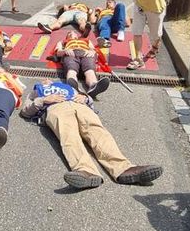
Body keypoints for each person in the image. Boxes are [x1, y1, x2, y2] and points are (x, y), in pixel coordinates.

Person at [19, 79, 163, 189]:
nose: (47, 81)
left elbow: (89, 101)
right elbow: (25, 111)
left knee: (98, 132)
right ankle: (85, 171)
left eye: (49, 80)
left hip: (79, 106)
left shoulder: (69, 88)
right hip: (56, 108)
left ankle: (123, 168)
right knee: (69, 135)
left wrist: (86, 98)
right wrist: (43, 100)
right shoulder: (37, 90)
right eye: (44, 81)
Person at [53, 31, 110, 98]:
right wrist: (65, 51)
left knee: (89, 69)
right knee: (71, 69)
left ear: (77, 35)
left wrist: (92, 52)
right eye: (69, 34)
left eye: (73, 33)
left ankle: (93, 86)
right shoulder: (62, 42)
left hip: (85, 53)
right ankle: (73, 86)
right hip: (71, 53)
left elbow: (93, 49)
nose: (71, 34)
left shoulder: (86, 40)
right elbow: (58, 52)